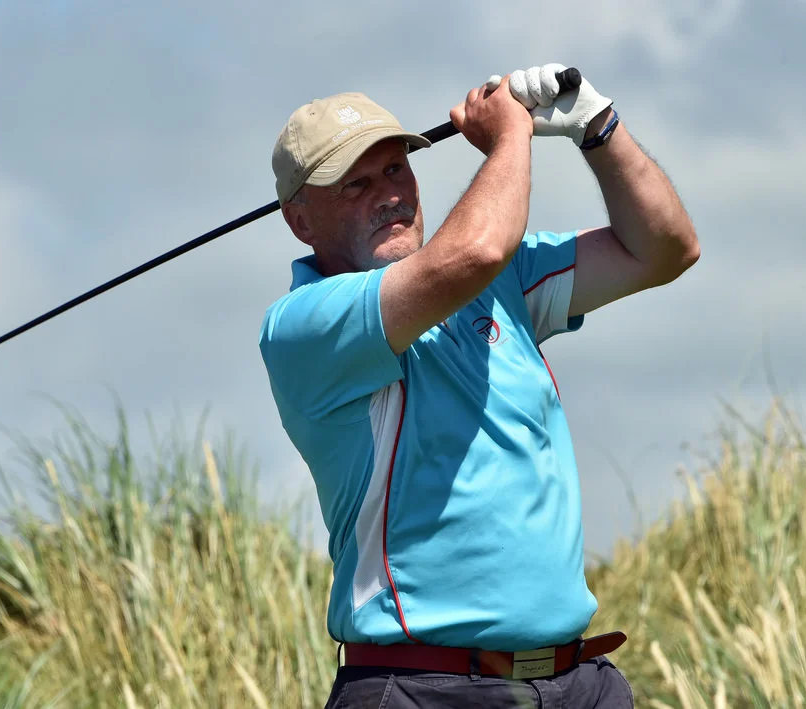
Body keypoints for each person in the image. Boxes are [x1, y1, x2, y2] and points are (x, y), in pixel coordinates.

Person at [258, 62, 699, 708]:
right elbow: (476, 249)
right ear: (300, 221)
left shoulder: (505, 282)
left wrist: (598, 129)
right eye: (355, 184)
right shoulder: (303, 326)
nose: (390, 194)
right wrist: (510, 134)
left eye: (396, 169)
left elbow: (666, 248)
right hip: (421, 686)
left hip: (578, 683)